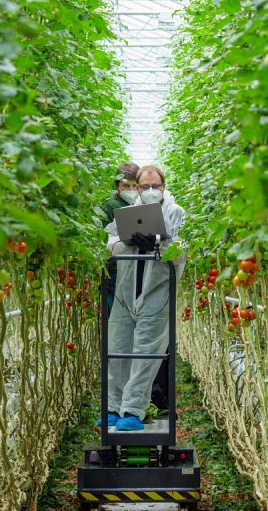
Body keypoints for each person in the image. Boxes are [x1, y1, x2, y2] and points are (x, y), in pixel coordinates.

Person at [100, 165, 185, 431]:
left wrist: (159, 243)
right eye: (144, 186)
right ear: (136, 187)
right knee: (118, 348)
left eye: (155, 186)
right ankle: (113, 407)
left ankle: (133, 411)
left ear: (163, 186)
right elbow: (110, 245)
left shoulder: (175, 212)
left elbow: (182, 251)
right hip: (126, 291)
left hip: (156, 293)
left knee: (147, 354)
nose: (149, 191)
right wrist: (129, 241)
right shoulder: (125, 214)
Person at [102, 163, 140, 310]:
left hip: (134, 267)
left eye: (134, 186)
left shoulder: (140, 204)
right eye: (125, 186)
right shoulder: (110, 206)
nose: (131, 190)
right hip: (116, 270)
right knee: (117, 310)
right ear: (117, 186)